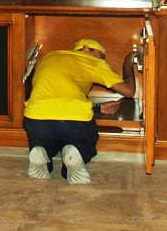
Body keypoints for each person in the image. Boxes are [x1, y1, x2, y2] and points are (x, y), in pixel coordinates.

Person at [23, 38, 136, 184]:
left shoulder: (49, 57)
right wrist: (128, 63)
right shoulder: (92, 61)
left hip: (36, 118)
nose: (102, 60)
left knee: (47, 141)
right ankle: (77, 151)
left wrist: (98, 108)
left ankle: (40, 150)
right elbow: (128, 91)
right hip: (73, 121)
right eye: (101, 55)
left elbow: (57, 96)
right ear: (86, 48)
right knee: (83, 141)